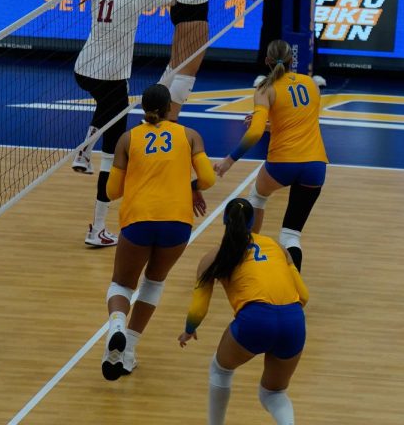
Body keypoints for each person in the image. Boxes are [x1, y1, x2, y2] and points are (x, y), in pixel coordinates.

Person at [100, 84, 216, 379]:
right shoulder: (190, 135)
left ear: (143, 108)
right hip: (177, 223)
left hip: (139, 219)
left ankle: (116, 327)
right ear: (169, 109)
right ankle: (127, 354)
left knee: (122, 285)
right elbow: (208, 178)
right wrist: (188, 187)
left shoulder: (128, 139)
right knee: (153, 283)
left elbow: (112, 191)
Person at [71, 0, 177, 246]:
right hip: (111, 78)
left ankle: (84, 150)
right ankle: (97, 227)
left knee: (107, 108)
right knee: (111, 156)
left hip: (83, 72)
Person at [178, 197, 309, 425]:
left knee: (220, 371)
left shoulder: (214, 257)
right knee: (273, 393)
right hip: (294, 320)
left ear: (225, 222)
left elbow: (199, 309)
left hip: (255, 320)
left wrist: (189, 329)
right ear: (252, 222)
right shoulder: (276, 246)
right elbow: (304, 296)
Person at [214, 40, 327, 270]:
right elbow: (298, 122)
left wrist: (229, 160)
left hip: (283, 162)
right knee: (291, 235)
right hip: (315, 165)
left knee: (257, 197)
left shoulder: (265, 88)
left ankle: (249, 256)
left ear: (266, 60)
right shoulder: (311, 84)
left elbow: (254, 132)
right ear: (291, 60)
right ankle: (293, 287)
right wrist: (270, 125)